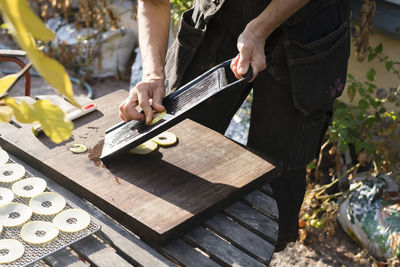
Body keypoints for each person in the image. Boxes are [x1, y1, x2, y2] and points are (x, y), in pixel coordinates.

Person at [119, 0, 350, 251]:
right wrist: (153, 75)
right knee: (173, 134)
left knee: (275, 177)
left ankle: (257, 251)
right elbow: (154, 2)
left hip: (307, 27)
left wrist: (259, 30)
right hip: (220, 12)